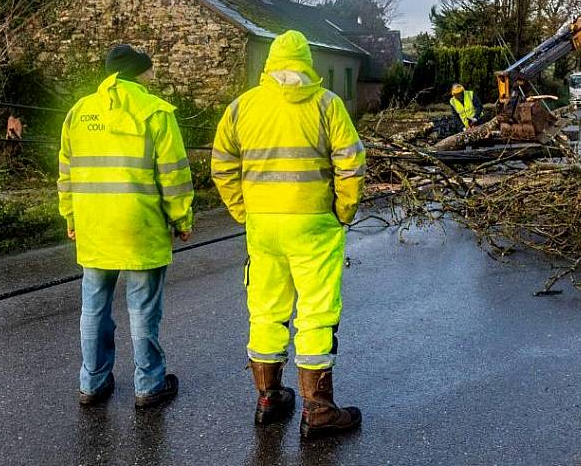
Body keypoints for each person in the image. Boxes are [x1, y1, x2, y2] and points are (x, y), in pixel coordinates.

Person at [211, 30, 366, 438]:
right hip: (314, 224)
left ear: (270, 64)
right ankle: (318, 409)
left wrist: (243, 210)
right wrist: (343, 210)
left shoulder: (243, 106)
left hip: (263, 227)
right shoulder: (327, 105)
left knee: (265, 309)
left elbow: (222, 163)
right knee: (315, 312)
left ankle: (269, 397)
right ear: (307, 63)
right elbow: (351, 163)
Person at [57, 44, 195, 408]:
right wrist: (182, 219)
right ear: (141, 73)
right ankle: (149, 385)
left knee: (94, 308)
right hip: (140, 227)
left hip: (94, 227)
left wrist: (70, 216)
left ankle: (92, 382)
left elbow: (66, 174)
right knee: (143, 309)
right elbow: (174, 176)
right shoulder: (156, 112)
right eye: (150, 70)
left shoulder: (79, 112)